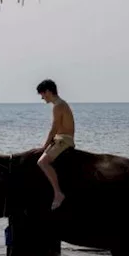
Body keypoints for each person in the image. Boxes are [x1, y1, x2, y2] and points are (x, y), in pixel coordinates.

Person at [36, 79, 75, 209]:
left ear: (48, 91)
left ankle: (58, 193)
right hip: (61, 138)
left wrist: (45, 146)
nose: (42, 97)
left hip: (63, 140)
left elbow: (54, 128)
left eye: (42, 94)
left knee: (42, 162)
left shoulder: (58, 105)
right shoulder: (60, 104)